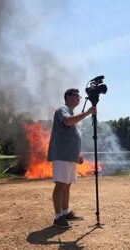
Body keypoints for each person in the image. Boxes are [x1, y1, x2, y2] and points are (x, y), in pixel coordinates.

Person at [47, 88, 97, 229]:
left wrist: (77, 154)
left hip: (70, 156)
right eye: (74, 95)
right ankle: (58, 218)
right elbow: (67, 122)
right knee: (60, 185)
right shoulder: (62, 109)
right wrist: (87, 113)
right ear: (67, 97)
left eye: (78, 96)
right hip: (62, 155)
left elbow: (70, 136)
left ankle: (65, 212)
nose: (77, 98)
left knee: (67, 185)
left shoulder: (71, 113)